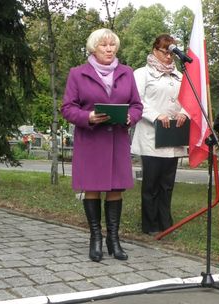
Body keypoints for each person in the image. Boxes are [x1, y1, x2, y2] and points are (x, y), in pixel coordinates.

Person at [61, 28, 143, 262]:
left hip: (117, 140)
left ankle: (113, 239)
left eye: (112, 45)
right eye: (103, 45)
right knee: (93, 188)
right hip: (91, 140)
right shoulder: (77, 74)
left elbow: (137, 105)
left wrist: (130, 117)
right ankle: (95, 238)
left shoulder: (127, 73)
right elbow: (68, 107)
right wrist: (87, 117)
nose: (109, 49)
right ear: (93, 49)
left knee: (116, 189)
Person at [131, 34, 188, 236]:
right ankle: (149, 223)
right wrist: (156, 115)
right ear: (155, 50)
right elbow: (137, 101)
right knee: (151, 183)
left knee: (167, 183)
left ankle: (166, 221)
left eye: (171, 52)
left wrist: (184, 113)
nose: (168, 57)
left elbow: (189, 101)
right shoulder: (141, 74)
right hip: (151, 135)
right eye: (165, 52)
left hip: (172, 136)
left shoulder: (181, 76)